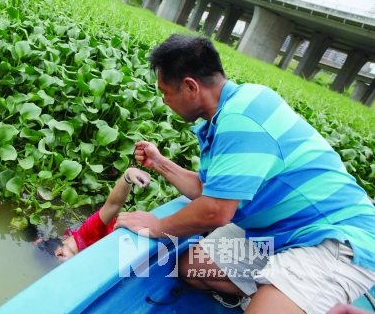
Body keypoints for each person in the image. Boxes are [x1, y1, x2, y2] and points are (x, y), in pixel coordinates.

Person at [112, 34, 375, 314]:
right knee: (191, 268)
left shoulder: (240, 119)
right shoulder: (234, 107)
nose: (164, 101)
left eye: (165, 92)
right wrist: (160, 163)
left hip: (333, 239)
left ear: (190, 87)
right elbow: (212, 192)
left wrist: (155, 227)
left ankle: (289, 294)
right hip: (278, 234)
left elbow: (215, 212)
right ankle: (273, 287)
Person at [36, 167, 150, 262]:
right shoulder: (66, 238)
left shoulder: (88, 234)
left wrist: (128, 176)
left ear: (60, 254)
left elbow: (112, 205)